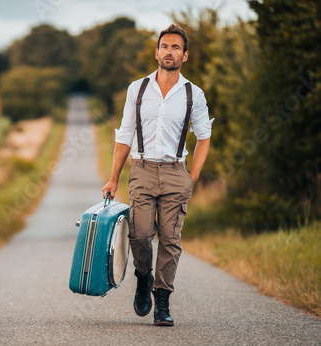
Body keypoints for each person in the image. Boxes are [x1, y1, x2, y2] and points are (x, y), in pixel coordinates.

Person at [102, 24, 213, 326]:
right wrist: (113, 178)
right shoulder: (136, 89)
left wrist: (192, 177)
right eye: (165, 46)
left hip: (177, 172)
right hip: (142, 170)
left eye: (176, 47)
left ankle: (162, 300)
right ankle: (143, 276)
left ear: (185, 56)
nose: (169, 52)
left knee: (170, 240)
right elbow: (124, 135)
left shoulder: (194, 95)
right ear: (157, 52)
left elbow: (204, 137)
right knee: (139, 236)